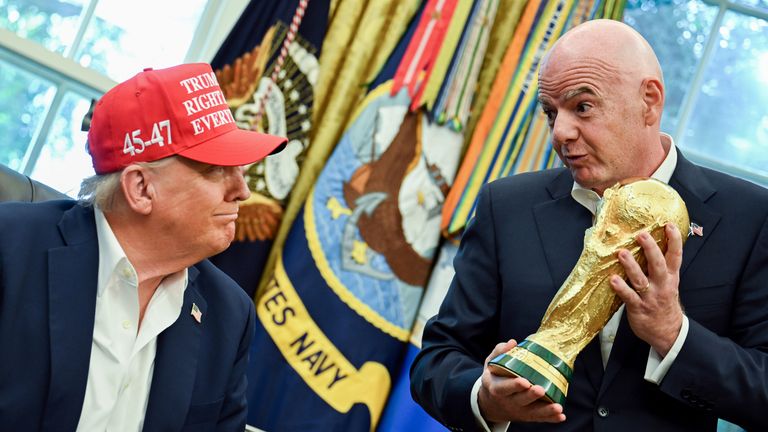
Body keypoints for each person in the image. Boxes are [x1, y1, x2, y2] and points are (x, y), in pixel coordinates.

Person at [410, 19, 768, 432]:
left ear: (649, 102)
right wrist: (484, 398)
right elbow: (437, 359)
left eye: (582, 107)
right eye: (550, 112)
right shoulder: (505, 206)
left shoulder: (750, 218)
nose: (560, 133)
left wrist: (674, 334)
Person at [0, 63, 287, 431]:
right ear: (140, 188)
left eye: (240, 170)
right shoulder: (10, 249)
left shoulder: (229, 313)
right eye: (217, 169)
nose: (242, 191)